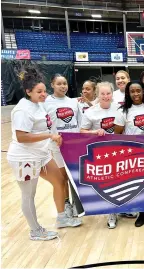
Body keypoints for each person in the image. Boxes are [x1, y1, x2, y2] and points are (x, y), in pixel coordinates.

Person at [7, 68, 81, 241]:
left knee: (60, 180)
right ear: (28, 91)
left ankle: (62, 217)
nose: (43, 94)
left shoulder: (39, 104)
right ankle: (35, 230)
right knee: (28, 194)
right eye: (39, 92)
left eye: (43, 90)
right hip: (24, 158)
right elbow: (21, 136)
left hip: (41, 155)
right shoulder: (22, 110)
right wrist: (50, 136)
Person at [80, 81, 137, 228]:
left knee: (123, 181)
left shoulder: (120, 108)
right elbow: (82, 131)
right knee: (108, 183)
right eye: (102, 94)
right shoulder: (91, 112)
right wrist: (95, 132)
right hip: (102, 152)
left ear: (112, 94)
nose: (105, 96)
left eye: (108, 93)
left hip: (120, 149)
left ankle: (122, 209)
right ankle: (111, 213)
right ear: (97, 95)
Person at [114, 81, 144, 228]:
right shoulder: (122, 111)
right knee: (137, 184)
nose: (136, 94)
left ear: (143, 91)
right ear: (128, 93)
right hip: (132, 152)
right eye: (132, 91)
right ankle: (140, 211)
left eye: (138, 90)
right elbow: (117, 133)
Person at [44, 74, 81, 218]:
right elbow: (43, 124)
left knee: (74, 176)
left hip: (74, 145)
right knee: (63, 177)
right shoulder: (46, 102)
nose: (63, 86)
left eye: (64, 83)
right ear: (52, 84)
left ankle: (77, 204)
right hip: (57, 146)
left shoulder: (73, 102)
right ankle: (66, 204)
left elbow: (80, 123)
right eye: (59, 83)